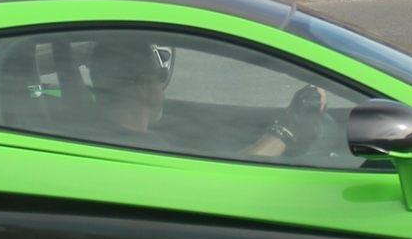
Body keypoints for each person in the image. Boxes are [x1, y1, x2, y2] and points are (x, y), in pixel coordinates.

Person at [79, 36, 325, 158]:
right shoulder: (141, 152)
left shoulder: (91, 134)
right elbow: (229, 184)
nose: (163, 87)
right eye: (160, 76)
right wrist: (289, 126)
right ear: (144, 86)